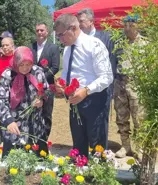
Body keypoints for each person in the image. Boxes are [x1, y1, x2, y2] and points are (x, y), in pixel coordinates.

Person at [54, 14, 113, 157]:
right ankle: (80, 171)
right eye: (58, 37)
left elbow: (107, 76)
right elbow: (68, 72)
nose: (60, 40)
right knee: (79, 142)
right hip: (75, 101)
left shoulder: (94, 45)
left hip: (95, 99)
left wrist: (86, 91)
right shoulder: (68, 49)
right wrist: (61, 84)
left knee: (97, 145)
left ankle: (98, 175)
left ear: (73, 28)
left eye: (61, 35)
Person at [0, 46, 48, 157]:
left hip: (35, 126)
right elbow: (0, 101)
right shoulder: (8, 75)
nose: (25, 68)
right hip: (15, 126)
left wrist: (41, 100)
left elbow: (46, 91)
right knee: (15, 164)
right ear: (16, 62)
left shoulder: (37, 72)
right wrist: (9, 121)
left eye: (28, 64)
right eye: (21, 65)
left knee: (39, 165)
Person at [77, 8, 118, 149]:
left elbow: (112, 64)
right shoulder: (78, 41)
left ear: (91, 21)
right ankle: (84, 155)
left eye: (81, 21)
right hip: (84, 93)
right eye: (78, 22)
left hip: (102, 91)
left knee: (100, 126)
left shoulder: (106, 38)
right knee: (84, 127)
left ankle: (100, 156)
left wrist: (110, 89)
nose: (79, 25)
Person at [114, 16, 144, 158]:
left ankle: (140, 148)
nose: (127, 28)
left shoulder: (146, 44)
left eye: (130, 25)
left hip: (137, 85)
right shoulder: (119, 44)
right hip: (120, 85)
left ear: (137, 26)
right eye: (125, 26)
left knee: (139, 118)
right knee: (121, 118)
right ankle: (125, 146)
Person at [30, 22, 60, 149]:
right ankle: (32, 140)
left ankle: (43, 141)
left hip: (47, 87)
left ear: (47, 32)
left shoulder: (53, 47)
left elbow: (55, 67)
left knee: (46, 114)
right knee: (33, 113)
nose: (39, 32)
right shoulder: (31, 46)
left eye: (42, 30)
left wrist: (41, 80)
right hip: (32, 87)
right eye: (37, 30)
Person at [0, 37, 15, 137]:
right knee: (2, 114)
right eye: (3, 45)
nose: (5, 47)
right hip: (1, 91)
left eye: (7, 45)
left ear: (12, 45)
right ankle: (3, 139)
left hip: (15, 91)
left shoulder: (17, 58)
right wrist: (2, 86)